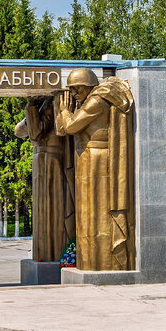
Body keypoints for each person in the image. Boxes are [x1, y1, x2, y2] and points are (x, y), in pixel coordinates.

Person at [55, 68, 135, 271]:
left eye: (77, 89)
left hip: (98, 160)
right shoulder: (88, 101)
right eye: (71, 89)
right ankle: (90, 260)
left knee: (96, 210)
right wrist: (62, 111)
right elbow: (61, 130)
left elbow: (71, 126)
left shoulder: (97, 100)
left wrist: (65, 112)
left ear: (88, 86)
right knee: (87, 213)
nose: (74, 94)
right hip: (86, 159)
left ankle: (102, 262)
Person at [14, 95, 73, 263]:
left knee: (53, 208)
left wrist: (31, 105)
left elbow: (36, 133)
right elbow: (19, 131)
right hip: (42, 157)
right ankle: (45, 253)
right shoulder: (43, 104)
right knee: (43, 209)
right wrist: (32, 107)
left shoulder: (54, 102)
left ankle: (54, 253)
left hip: (53, 158)